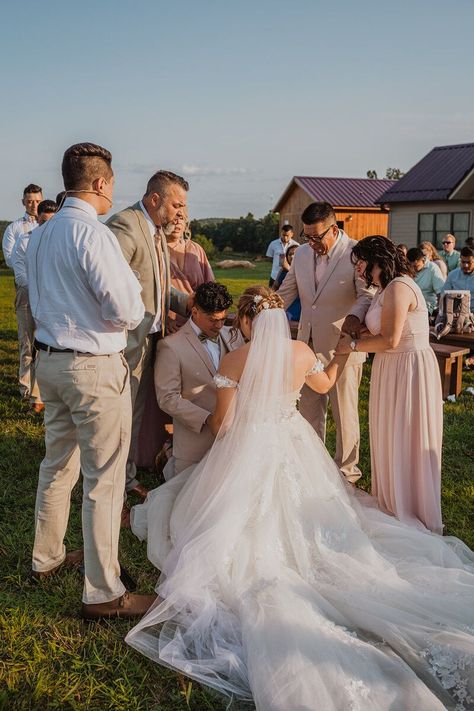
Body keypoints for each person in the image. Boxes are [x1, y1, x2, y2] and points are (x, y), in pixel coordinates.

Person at [126, 285, 474, 711]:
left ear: (250, 319)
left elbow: (221, 424)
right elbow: (325, 384)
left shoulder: (236, 359)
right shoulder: (302, 353)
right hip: (295, 443)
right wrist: (344, 352)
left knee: (217, 516)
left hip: (253, 443)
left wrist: (238, 441)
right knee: (321, 522)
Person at [27, 142, 154, 619]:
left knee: (57, 463)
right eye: (112, 183)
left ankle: (47, 557)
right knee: (104, 479)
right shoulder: (93, 234)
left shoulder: (41, 233)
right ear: (101, 183)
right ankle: (103, 591)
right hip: (92, 367)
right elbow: (126, 309)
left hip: (50, 363)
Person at [337, 236, 443, 533]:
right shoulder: (385, 289)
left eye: (361, 264)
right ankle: (392, 499)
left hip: (408, 369)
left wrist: (351, 346)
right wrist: (357, 326)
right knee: (389, 432)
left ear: (377, 261)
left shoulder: (399, 287)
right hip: (390, 367)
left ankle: (410, 506)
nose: (359, 271)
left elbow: (390, 339)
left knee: (406, 433)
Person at [106, 171, 192, 510]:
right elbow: (109, 285)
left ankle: (125, 477)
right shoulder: (125, 225)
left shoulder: (156, 231)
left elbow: (155, 284)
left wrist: (188, 303)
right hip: (126, 342)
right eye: (176, 204)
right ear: (155, 199)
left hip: (151, 338)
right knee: (121, 414)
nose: (180, 213)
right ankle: (114, 481)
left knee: (134, 414)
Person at [278, 202, 374, 483]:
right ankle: (313, 470)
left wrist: (353, 320)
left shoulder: (356, 253)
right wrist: (263, 309)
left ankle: (347, 472)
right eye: (306, 236)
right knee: (308, 411)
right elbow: (286, 291)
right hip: (306, 346)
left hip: (343, 346)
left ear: (333, 229)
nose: (311, 243)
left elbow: (366, 295)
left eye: (316, 237)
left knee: (345, 413)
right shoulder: (303, 254)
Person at [154, 281, 242, 480]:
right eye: (213, 320)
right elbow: (167, 398)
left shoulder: (234, 337)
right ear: (194, 312)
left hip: (233, 443)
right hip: (195, 445)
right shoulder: (171, 346)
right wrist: (207, 419)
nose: (219, 325)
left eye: (223, 318)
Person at [11, 199, 58, 410]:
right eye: (44, 221)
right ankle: (26, 389)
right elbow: (21, 275)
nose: (47, 225)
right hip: (29, 296)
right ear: (37, 219)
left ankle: (39, 396)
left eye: (52, 221)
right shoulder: (23, 241)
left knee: (47, 346)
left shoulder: (59, 240)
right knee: (28, 344)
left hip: (53, 299)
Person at [166, 214, 214, 330]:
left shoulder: (196, 249)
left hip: (198, 322)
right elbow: (150, 290)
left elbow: (211, 286)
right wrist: (164, 318)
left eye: (181, 218)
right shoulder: (155, 250)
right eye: (173, 218)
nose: (177, 222)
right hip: (168, 326)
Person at [2, 183, 43, 267]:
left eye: (38, 201)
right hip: (23, 276)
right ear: (23, 202)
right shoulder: (12, 228)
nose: (35, 206)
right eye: (30, 202)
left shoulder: (51, 223)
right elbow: (9, 260)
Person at [406, 246, 445, 316]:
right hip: (409, 305)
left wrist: (439, 311)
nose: (413, 269)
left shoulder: (432, 268)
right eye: (411, 266)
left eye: (416, 266)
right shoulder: (407, 268)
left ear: (423, 260)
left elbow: (440, 292)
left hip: (427, 307)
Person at [274, 243, 301, 321]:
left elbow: (301, 282)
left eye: (295, 254)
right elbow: (275, 286)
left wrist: (289, 268)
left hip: (296, 306)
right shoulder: (282, 270)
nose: (292, 256)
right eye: (290, 254)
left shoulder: (305, 270)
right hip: (283, 301)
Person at [442, 246, 474, 310]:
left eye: (469, 262)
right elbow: (443, 295)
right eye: (463, 262)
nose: (465, 265)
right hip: (456, 312)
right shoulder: (453, 275)